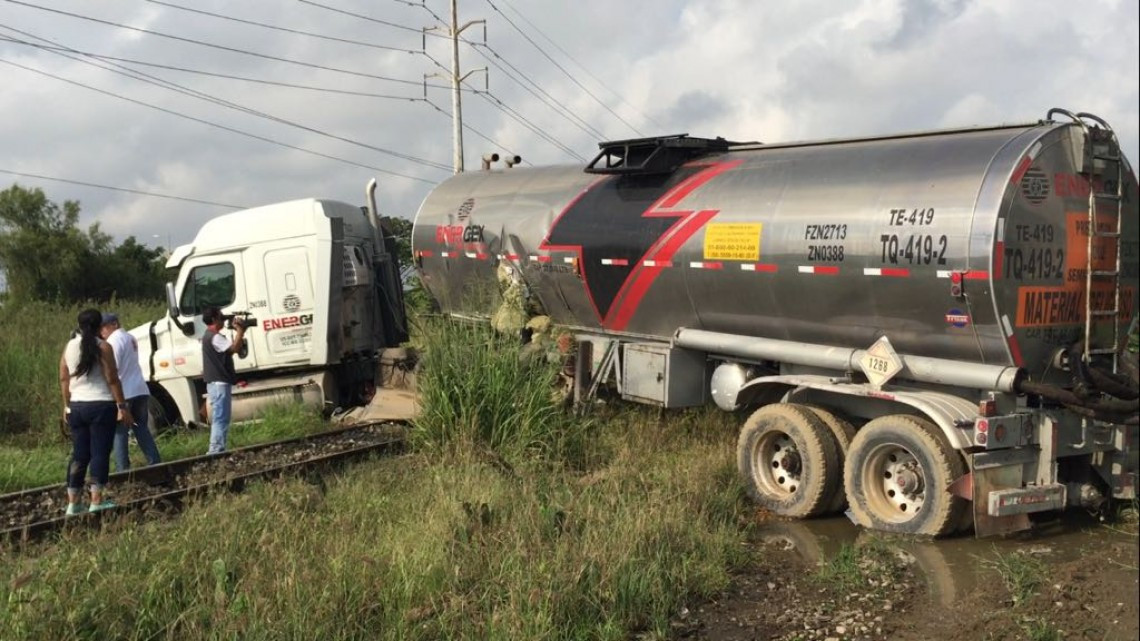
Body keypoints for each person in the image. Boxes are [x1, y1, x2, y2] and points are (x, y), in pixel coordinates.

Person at [59, 308, 133, 515]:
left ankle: (73, 503)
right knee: (100, 453)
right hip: (102, 406)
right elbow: (112, 379)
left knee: (79, 455)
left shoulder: (69, 346)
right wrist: (122, 406)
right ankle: (96, 501)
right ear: (100, 326)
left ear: (80, 325)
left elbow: (64, 378)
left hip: (78, 406)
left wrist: (67, 405)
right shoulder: (104, 347)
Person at [100, 312, 162, 471]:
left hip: (125, 392)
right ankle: (155, 461)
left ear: (114, 324)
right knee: (141, 427)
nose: (102, 331)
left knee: (119, 432)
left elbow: (113, 369)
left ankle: (122, 468)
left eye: (104, 327)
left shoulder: (113, 342)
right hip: (140, 388)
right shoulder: (130, 337)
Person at [201, 306, 246, 454]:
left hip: (214, 383)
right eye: (221, 317)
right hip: (220, 383)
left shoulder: (207, 335)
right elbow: (233, 349)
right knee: (221, 418)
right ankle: (216, 450)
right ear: (214, 319)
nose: (223, 320)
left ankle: (216, 448)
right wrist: (240, 331)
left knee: (218, 417)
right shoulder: (215, 337)